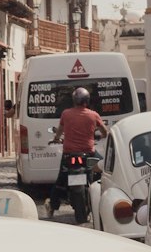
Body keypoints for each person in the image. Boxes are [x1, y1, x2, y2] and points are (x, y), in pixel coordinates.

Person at [44, 86, 107, 219]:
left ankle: (52, 206)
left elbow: (60, 130)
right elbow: (104, 131)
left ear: (74, 100)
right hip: (88, 153)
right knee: (105, 170)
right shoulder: (93, 115)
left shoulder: (66, 114)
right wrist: (99, 136)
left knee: (60, 181)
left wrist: (56, 139)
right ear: (87, 101)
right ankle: (103, 199)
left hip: (69, 153)